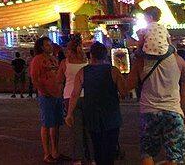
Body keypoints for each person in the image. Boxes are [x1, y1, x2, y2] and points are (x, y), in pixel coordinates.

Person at [125, 32, 185, 165]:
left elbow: (129, 85)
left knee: (148, 152)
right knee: (174, 155)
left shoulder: (140, 62)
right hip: (172, 111)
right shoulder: (177, 59)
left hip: (149, 111)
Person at [64, 42, 126, 165]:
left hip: (92, 114)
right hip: (111, 114)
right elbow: (124, 92)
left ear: (91, 55)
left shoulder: (83, 72)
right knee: (110, 147)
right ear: (105, 55)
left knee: (96, 146)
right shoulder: (113, 71)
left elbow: (75, 94)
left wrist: (69, 113)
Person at [30, 36, 65, 163]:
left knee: (56, 124)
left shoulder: (53, 59)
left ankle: (55, 152)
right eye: (47, 45)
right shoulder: (37, 60)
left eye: (50, 44)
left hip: (57, 95)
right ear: (41, 47)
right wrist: (44, 91)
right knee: (46, 124)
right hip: (47, 96)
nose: (50, 47)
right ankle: (47, 153)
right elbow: (34, 78)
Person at [58, 36, 89, 165]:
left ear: (69, 50)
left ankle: (77, 158)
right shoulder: (87, 61)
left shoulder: (65, 63)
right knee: (88, 128)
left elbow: (59, 80)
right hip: (87, 96)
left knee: (75, 130)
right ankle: (90, 156)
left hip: (70, 97)